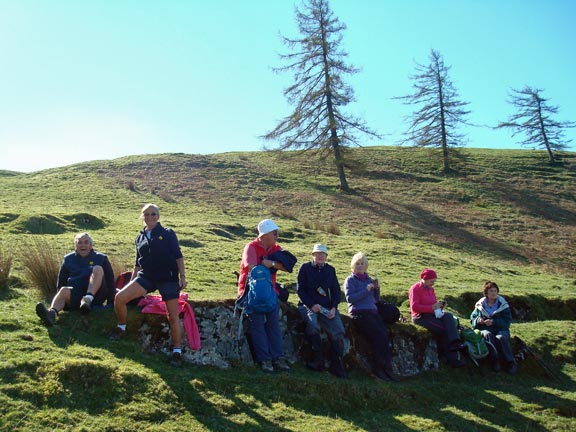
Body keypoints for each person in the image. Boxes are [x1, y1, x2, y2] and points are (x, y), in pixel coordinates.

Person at [109, 203, 187, 368]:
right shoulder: (139, 237)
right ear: (142, 217)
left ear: (158, 216)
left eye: (153, 214)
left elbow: (178, 257)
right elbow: (138, 263)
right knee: (120, 297)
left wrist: (182, 277)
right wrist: (132, 281)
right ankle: (121, 327)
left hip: (168, 277)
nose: (150, 217)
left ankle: (177, 351)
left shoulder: (167, 233)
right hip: (147, 276)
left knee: (172, 316)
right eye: (146, 214)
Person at [237, 219, 291, 373]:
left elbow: (287, 266)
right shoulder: (251, 248)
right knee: (258, 324)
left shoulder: (275, 248)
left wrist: (271, 264)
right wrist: (267, 264)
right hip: (250, 292)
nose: (277, 235)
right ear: (265, 234)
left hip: (270, 292)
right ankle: (265, 359)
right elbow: (252, 269)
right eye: (274, 233)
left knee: (273, 324)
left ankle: (277, 357)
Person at [35, 232, 115, 326]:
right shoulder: (68, 259)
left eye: (86, 242)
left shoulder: (101, 258)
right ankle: (51, 314)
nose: (83, 245)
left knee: (98, 269)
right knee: (63, 290)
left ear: (90, 245)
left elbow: (110, 281)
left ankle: (87, 300)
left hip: (96, 296)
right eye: (79, 243)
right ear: (75, 246)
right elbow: (61, 281)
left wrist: (110, 302)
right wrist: (65, 302)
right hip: (76, 293)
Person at [344, 252, 398, 382]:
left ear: (366, 266)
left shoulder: (368, 279)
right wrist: (366, 290)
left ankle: (387, 370)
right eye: (357, 264)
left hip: (373, 312)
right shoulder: (350, 280)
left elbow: (376, 299)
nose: (360, 266)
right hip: (359, 313)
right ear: (353, 266)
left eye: (362, 264)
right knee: (379, 335)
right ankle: (379, 370)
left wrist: (376, 288)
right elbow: (350, 299)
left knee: (384, 334)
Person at [297, 244, 347, 378]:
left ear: (326, 257)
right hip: (308, 305)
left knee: (338, 330)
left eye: (322, 254)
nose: (319, 256)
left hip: (327, 307)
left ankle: (336, 366)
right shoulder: (305, 268)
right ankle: (317, 360)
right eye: (317, 253)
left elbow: (336, 290)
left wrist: (334, 307)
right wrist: (312, 305)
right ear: (312, 255)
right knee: (313, 325)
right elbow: (300, 290)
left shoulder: (330, 270)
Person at [409, 268, 465, 368]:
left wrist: (439, 306)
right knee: (445, 330)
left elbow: (433, 304)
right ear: (424, 279)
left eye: (434, 281)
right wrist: (432, 307)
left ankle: (455, 343)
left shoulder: (431, 289)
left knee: (448, 316)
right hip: (420, 317)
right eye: (431, 281)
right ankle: (452, 359)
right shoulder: (415, 288)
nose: (433, 283)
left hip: (432, 314)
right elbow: (414, 307)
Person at [471, 281, 518, 374]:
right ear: (486, 293)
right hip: (485, 329)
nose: (493, 293)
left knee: (501, 338)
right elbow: (473, 318)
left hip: (500, 329)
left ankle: (510, 362)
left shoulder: (503, 305)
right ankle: (495, 361)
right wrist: (478, 320)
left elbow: (507, 322)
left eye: (495, 291)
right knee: (487, 335)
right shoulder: (480, 305)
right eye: (491, 291)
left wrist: (493, 322)